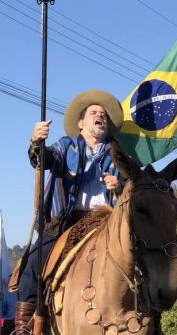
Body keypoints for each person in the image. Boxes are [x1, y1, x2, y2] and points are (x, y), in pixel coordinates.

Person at [15, 90, 124, 334]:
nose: (100, 116)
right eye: (94, 113)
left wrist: (119, 186)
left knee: (141, 259)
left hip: (107, 223)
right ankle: (23, 326)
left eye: (104, 114)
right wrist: (36, 142)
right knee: (34, 261)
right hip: (67, 222)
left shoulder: (117, 154)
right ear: (80, 123)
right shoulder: (66, 146)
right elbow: (43, 160)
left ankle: (150, 320)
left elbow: (131, 187)